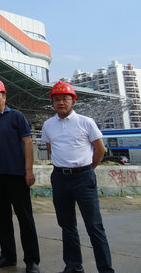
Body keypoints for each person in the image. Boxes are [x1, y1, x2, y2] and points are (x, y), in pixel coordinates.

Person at [41, 81, 114, 273]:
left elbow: (100, 150)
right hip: (60, 178)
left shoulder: (86, 122)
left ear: (73, 101)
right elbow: (51, 148)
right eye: (56, 99)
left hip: (83, 178)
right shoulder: (48, 125)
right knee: (67, 225)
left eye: (65, 99)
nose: (61, 103)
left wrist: (87, 169)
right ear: (52, 103)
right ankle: (73, 266)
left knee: (94, 226)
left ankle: (105, 269)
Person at [0, 78, 40, 273]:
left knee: (25, 218)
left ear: (4, 96)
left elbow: (28, 143)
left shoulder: (17, 117)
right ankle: (7, 255)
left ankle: (32, 261)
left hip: (17, 175)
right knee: (1, 218)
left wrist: (28, 170)